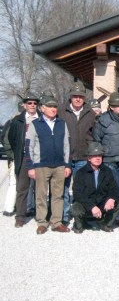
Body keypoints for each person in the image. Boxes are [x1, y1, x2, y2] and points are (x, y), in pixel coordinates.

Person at [25, 95, 71, 234]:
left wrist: (67, 164)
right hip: (41, 165)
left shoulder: (62, 123)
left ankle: (56, 222)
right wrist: (31, 166)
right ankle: (42, 222)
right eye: (50, 106)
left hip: (59, 165)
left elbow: (67, 145)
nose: (53, 109)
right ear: (42, 108)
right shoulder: (35, 124)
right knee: (41, 195)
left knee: (58, 195)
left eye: (55, 106)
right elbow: (28, 146)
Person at [92, 91, 119, 226]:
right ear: (111, 107)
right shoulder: (103, 120)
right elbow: (97, 139)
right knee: (109, 190)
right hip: (109, 160)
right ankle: (106, 216)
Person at [59, 81, 97, 225]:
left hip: (83, 156)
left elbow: (94, 135)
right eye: (75, 96)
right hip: (65, 156)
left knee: (81, 189)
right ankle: (64, 215)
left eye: (80, 96)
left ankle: (80, 215)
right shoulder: (61, 111)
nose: (78, 99)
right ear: (70, 96)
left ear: (84, 98)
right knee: (63, 188)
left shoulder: (90, 113)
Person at [71, 142, 119, 233]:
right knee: (75, 208)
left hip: (101, 203)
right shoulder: (81, 173)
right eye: (94, 156)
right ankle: (80, 225)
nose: (98, 158)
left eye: (100, 155)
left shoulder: (107, 171)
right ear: (89, 158)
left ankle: (106, 223)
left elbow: (114, 188)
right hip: (87, 205)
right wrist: (92, 207)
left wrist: (111, 198)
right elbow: (77, 193)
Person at [7, 93, 40, 227]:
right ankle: (20, 217)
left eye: (35, 103)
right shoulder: (18, 120)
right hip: (24, 158)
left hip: (39, 158)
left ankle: (40, 215)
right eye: (29, 103)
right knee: (22, 188)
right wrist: (16, 154)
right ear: (25, 105)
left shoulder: (42, 119)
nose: (32, 105)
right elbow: (12, 138)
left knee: (40, 188)